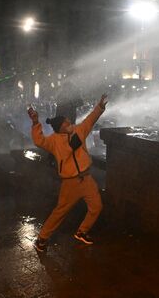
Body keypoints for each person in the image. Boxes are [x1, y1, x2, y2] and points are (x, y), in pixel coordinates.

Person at [28, 94, 108, 252]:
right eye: (66, 122)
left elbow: (89, 120)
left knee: (96, 207)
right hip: (70, 183)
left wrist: (99, 108)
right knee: (60, 212)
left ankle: (82, 232)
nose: (70, 122)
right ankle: (42, 239)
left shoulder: (79, 131)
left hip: (86, 179)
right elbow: (38, 140)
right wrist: (36, 122)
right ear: (60, 127)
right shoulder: (53, 141)